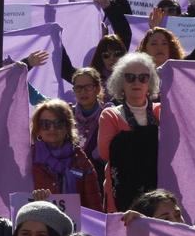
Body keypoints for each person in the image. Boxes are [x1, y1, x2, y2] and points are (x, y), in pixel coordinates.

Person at [99, 53, 161, 212]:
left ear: (151, 82)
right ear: (120, 82)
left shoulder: (162, 111)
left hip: (158, 189)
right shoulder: (110, 115)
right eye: (130, 77)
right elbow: (106, 153)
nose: (137, 82)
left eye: (143, 77)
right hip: (121, 193)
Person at [30, 100, 104, 211]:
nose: (52, 129)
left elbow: (94, 206)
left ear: (67, 127)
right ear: (38, 129)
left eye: (58, 124)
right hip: (38, 224)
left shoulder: (81, 161)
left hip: (76, 226)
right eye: (45, 124)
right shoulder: (28, 159)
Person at [70, 67, 106, 182]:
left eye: (88, 87)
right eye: (78, 88)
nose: (83, 92)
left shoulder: (108, 114)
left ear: (97, 89)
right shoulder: (67, 115)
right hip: (73, 179)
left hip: (101, 178)